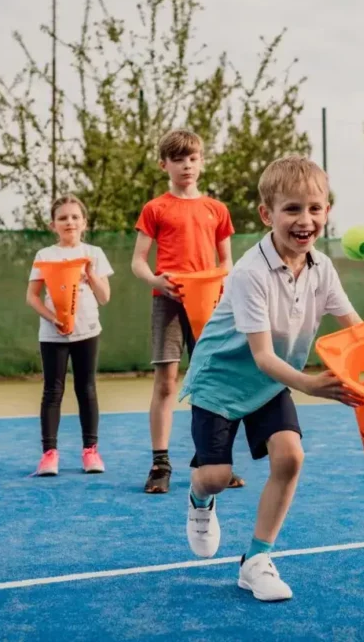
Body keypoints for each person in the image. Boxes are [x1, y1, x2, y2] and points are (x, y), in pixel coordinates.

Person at [179, 155, 363, 601]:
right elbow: (262, 356)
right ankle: (199, 499)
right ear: (267, 214)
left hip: (270, 384)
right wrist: (313, 384)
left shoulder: (323, 269)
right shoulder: (249, 273)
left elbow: (357, 331)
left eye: (315, 208)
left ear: (327, 212)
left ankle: (256, 561)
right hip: (221, 383)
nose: (306, 220)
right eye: (293, 209)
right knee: (217, 476)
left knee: (290, 458)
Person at [131, 128, 245, 494]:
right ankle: (159, 464)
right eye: (179, 159)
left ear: (202, 162)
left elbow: (227, 262)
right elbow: (138, 262)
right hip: (167, 302)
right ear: (164, 164)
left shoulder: (217, 210)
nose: (187, 166)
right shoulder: (155, 208)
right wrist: (157, 279)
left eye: (193, 158)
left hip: (210, 305)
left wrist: (219, 288)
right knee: (166, 382)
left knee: (210, 383)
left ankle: (213, 461)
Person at [26, 195, 113, 476]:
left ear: (84, 222)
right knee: (53, 391)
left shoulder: (94, 253)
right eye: (63, 218)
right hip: (53, 336)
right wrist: (54, 319)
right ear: (53, 225)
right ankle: (49, 455)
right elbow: (32, 296)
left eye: (75, 217)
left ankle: (91, 452)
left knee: (86, 389)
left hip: (87, 332)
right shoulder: (44, 255)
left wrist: (90, 273)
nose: (69, 222)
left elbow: (104, 297)